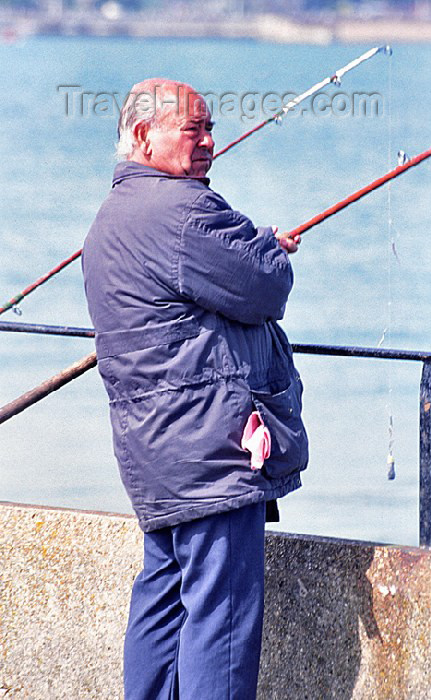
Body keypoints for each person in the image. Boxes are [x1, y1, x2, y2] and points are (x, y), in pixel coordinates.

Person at [82, 79, 308, 700]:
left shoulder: (109, 220)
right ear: (141, 136)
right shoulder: (183, 211)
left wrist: (254, 251)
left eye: (210, 129)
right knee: (223, 617)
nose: (209, 142)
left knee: (162, 596)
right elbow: (262, 288)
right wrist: (271, 252)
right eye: (193, 130)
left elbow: (209, 279)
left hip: (151, 449)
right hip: (211, 448)